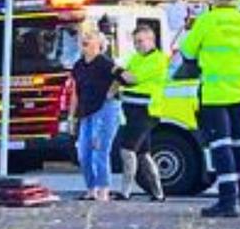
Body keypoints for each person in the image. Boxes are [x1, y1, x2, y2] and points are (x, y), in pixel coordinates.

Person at [181, 0, 240, 218]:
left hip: (215, 94)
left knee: (221, 147)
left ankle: (227, 201)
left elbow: (187, 51)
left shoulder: (207, 21)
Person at [68, 29, 124, 202]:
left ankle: (103, 189)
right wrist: (72, 116)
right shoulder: (78, 66)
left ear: (99, 44)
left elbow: (120, 78)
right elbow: (75, 92)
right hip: (86, 111)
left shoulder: (105, 62)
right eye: (83, 38)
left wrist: (110, 93)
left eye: (90, 38)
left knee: (100, 149)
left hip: (105, 109)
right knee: (83, 152)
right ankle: (91, 188)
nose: (85, 40)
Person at [117, 25, 168, 201]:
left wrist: (116, 70)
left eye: (140, 41)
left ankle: (125, 192)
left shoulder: (158, 59)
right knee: (143, 153)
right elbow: (125, 77)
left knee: (127, 149)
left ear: (151, 40)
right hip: (132, 111)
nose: (137, 45)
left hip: (146, 111)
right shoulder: (136, 58)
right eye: (135, 42)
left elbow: (131, 79)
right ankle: (158, 193)